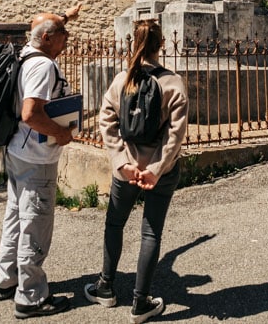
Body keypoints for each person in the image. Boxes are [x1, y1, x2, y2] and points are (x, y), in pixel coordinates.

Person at [84, 19, 189, 324]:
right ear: (163, 45)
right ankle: (140, 303)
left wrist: (122, 163)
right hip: (161, 172)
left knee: (115, 225)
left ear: (134, 43)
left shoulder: (122, 79)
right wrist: (156, 168)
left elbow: (107, 122)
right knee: (151, 232)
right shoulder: (173, 83)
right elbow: (175, 135)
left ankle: (105, 286)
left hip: (126, 169)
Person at [0, 3, 81, 319]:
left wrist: (65, 16)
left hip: (17, 150)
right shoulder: (43, 66)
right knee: (36, 223)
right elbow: (31, 113)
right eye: (63, 34)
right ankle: (30, 297)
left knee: (15, 216)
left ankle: (7, 280)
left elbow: (43, 24)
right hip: (36, 156)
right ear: (47, 38)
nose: (67, 38)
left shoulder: (24, 54)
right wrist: (61, 133)